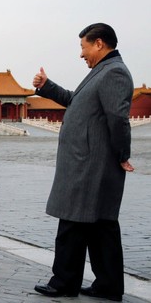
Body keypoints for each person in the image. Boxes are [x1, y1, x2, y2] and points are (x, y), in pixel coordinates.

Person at [33, 23, 134, 301]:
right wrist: (47, 87)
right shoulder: (101, 72)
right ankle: (108, 285)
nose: (81, 54)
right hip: (89, 162)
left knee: (73, 224)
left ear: (99, 43)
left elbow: (118, 119)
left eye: (83, 47)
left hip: (91, 164)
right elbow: (75, 102)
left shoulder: (113, 72)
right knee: (100, 226)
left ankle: (64, 282)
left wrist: (122, 154)